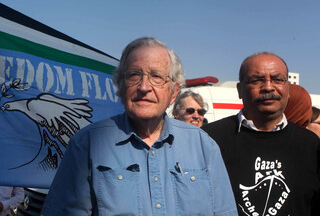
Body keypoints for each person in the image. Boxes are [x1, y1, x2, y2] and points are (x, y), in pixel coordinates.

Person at [41, 37, 237, 215]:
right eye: (134, 75)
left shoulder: (203, 146)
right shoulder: (86, 145)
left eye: (157, 76)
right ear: (120, 85)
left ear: (174, 92)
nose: (144, 87)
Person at [202, 52, 320, 215]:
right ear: (239, 90)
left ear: (287, 88)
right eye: (257, 80)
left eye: (277, 79)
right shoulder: (208, 140)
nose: (268, 87)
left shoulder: (310, 145)